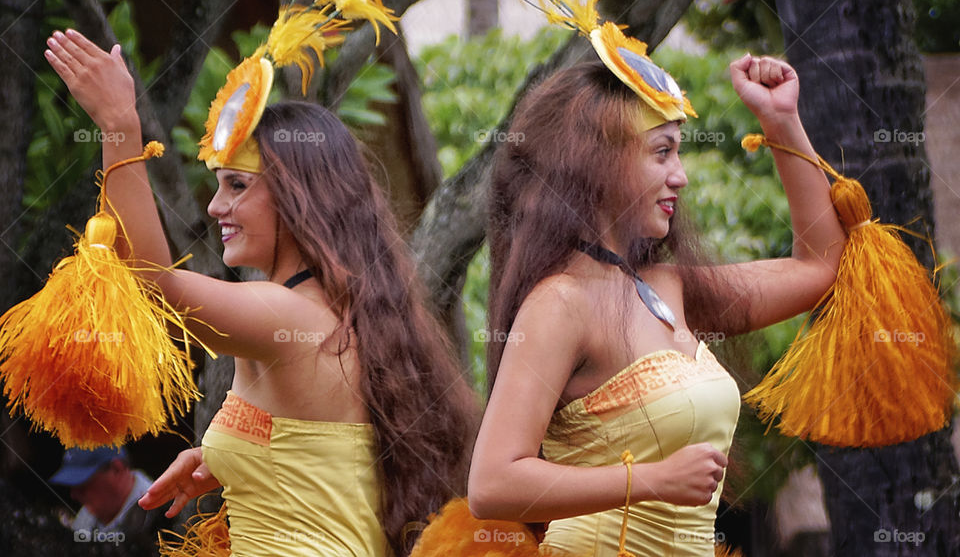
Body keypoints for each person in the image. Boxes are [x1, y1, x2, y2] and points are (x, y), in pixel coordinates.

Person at [44, 28, 477, 557]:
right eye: (219, 184)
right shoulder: (333, 310)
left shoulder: (286, 314)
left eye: (238, 186)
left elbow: (153, 281)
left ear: (299, 199)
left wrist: (118, 124)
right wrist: (225, 457)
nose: (214, 207)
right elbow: (315, 454)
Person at [467, 51, 846, 555]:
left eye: (679, 153)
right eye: (662, 152)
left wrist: (780, 121)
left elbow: (819, 266)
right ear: (597, 160)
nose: (680, 176)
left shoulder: (669, 288)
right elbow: (492, 483)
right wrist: (651, 480)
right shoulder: (560, 304)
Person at [50, 446, 165, 542]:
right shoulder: (86, 516)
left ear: (117, 469)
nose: (74, 495)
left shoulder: (164, 519)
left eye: (83, 485)